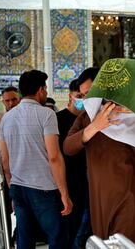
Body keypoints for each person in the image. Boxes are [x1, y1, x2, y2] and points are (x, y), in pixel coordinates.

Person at [63, 70, 135, 249]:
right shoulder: (86, 118)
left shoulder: (128, 111)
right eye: (82, 95)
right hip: (101, 199)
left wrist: (125, 124)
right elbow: (68, 147)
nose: (86, 98)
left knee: (127, 243)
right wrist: (95, 126)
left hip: (131, 196)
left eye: (90, 92)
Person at [0, 70, 72, 248]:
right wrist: (64, 193)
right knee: (57, 237)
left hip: (18, 187)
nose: (46, 93)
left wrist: (12, 189)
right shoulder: (46, 114)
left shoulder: (6, 119)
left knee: (25, 239)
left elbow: (6, 162)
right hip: (44, 189)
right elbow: (54, 157)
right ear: (40, 90)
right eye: (45, 89)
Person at [56, 79, 89, 248]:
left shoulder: (91, 119)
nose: (82, 100)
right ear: (70, 96)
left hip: (89, 180)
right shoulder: (58, 119)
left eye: (85, 96)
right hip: (70, 180)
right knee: (73, 228)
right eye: (79, 96)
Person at [0, 86, 20, 245]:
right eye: (7, 100)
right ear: (2, 101)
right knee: (7, 208)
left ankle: (17, 236)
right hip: (4, 172)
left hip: (23, 170)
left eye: (14, 99)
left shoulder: (26, 118)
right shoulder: (0, 120)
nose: (11, 103)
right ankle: (9, 241)